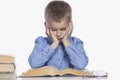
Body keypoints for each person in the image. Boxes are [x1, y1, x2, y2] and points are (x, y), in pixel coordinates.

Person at [28, 0, 88, 70]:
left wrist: (66, 42)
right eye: (53, 30)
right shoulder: (41, 42)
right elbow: (34, 63)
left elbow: (81, 65)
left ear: (70, 25)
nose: (58, 34)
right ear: (46, 26)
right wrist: (54, 44)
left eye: (63, 29)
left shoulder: (76, 42)